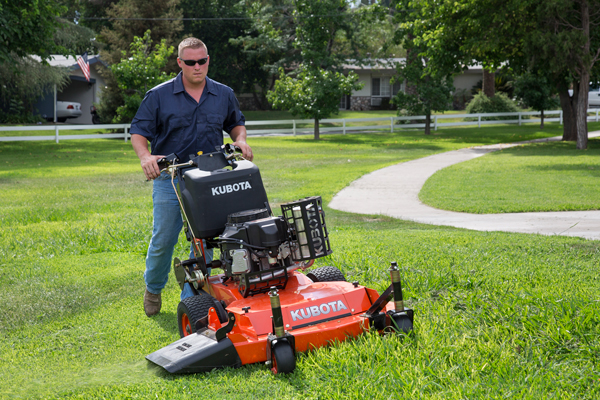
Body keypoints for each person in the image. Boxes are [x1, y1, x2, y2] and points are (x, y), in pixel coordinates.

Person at [130, 37, 253, 317]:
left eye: (202, 61)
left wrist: (241, 140)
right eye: (190, 62)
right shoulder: (159, 96)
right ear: (180, 63)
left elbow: (236, 124)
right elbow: (139, 133)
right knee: (164, 239)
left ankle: (192, 297)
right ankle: (154, 287)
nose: (197, 67)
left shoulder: (223, 93)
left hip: (210, 178)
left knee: (206, 239)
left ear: (208, 60)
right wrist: (145, 157)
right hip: (170, 179)